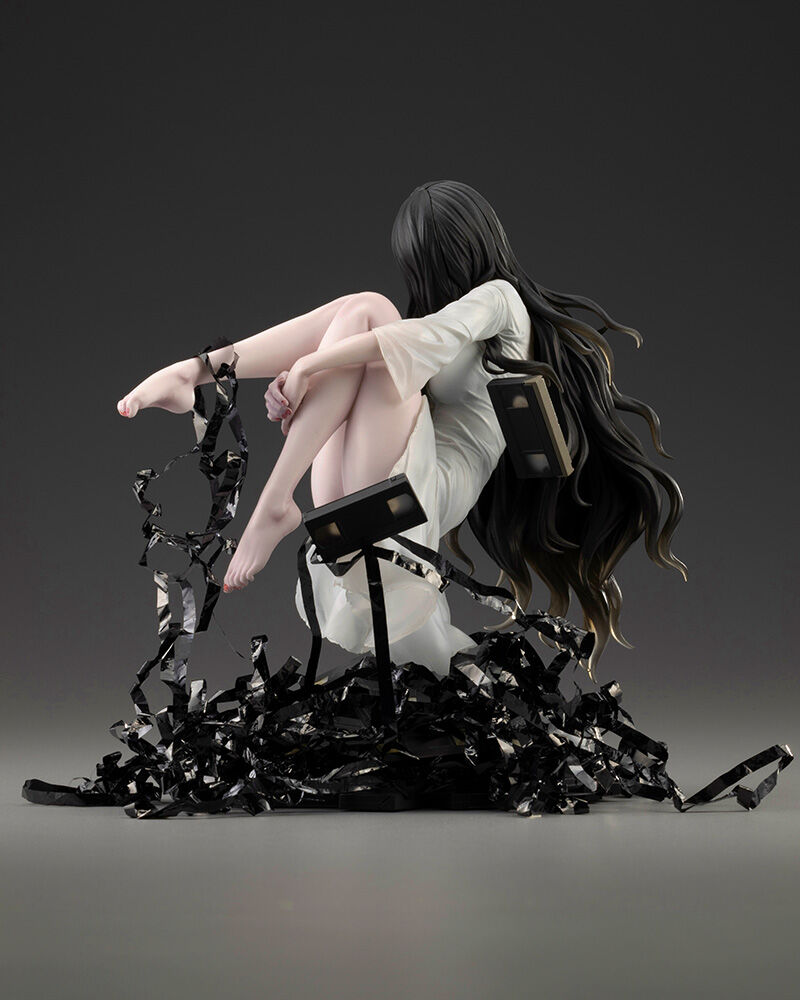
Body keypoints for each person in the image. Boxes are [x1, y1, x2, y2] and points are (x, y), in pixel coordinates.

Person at [117, 180, 686, 679]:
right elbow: (388, 352)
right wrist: (302, 391)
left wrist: (312, 366)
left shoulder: (500, 301)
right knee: (357, 314)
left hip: (415, 502)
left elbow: (425, 338)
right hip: (364, 499)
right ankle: (198, 373)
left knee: (369, 313)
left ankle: (264, 490)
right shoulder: (430, 330)